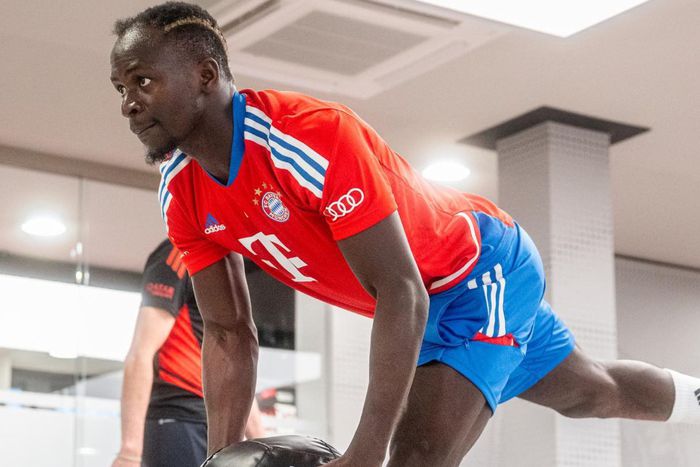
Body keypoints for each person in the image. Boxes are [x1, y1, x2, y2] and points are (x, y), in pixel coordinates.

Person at [109, 3, 700, 466]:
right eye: (121, 89)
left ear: (205, 75)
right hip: (422, 301)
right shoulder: (180, 190)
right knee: (591, 392)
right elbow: (229, 331)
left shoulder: (309, 138)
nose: (129, 105)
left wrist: (365, 455)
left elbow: (401, 290)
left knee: (413, 459)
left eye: (143, 81)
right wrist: (220, 459)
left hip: (477, 271)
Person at [113, 239, 265, 467]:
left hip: (213, 424)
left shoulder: (228, 260)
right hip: (177, 418)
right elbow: (141, 352)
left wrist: (262, 444)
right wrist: (130, 452)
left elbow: (232, 366)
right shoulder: (180, 251)